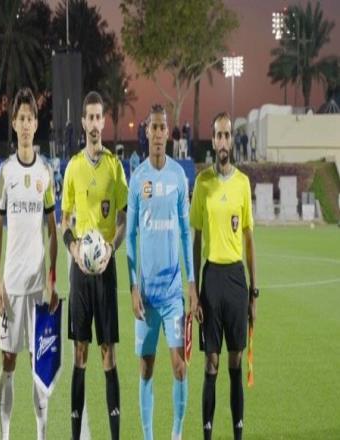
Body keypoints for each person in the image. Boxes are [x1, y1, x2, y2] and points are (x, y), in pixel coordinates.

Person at [126, 104, 198, 440]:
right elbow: (129, 236)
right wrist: (132, 286)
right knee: (145, 368)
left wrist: (191, 282)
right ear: (147, 132)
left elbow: (185, 233)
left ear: (168, 133)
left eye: (162, 128)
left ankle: (177, 434)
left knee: (180, 367)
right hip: (146, 295)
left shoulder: (178, 177)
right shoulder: (137, 178)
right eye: (152, 127)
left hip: (171, 295)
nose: (157, 133)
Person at [0, 88, 59, 440]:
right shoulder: (6, 172)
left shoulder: (46, 173)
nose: (26, 124)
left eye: (31, 118)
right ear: (14, 124)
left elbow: (53, 230)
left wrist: (52, 278)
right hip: (11, 285)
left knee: (38, 364)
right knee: (8, 362)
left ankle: (40, 434)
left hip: (36, 289)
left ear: (36, 123)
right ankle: (4, 435)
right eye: (21, 118)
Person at [61, 91, 128, 440]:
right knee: (80, 351)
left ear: (104, 121)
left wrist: (111, 249)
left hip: (105, 271)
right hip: (80, 273)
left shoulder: (115, 168)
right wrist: (74, 247)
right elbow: (64, 220)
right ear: (83, 122)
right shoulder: (73, 167)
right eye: (89, 117)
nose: (94, 123)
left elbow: (123, 219)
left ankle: (115, 435)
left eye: (98, 117)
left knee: (107, 353)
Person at [190, 112, 258, 440]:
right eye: (218, 135)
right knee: (211, 363)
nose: (223, 141)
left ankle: (237, 434)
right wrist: (194, 290)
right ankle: (207, 434)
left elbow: (249, 239)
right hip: (212, 278)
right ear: (212, 140)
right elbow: (195, 239)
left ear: (232, 140)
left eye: (227, 135)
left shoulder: (243, 183)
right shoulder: (202, 183)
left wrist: (254, 292)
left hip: (236, 279)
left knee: (235, 360)